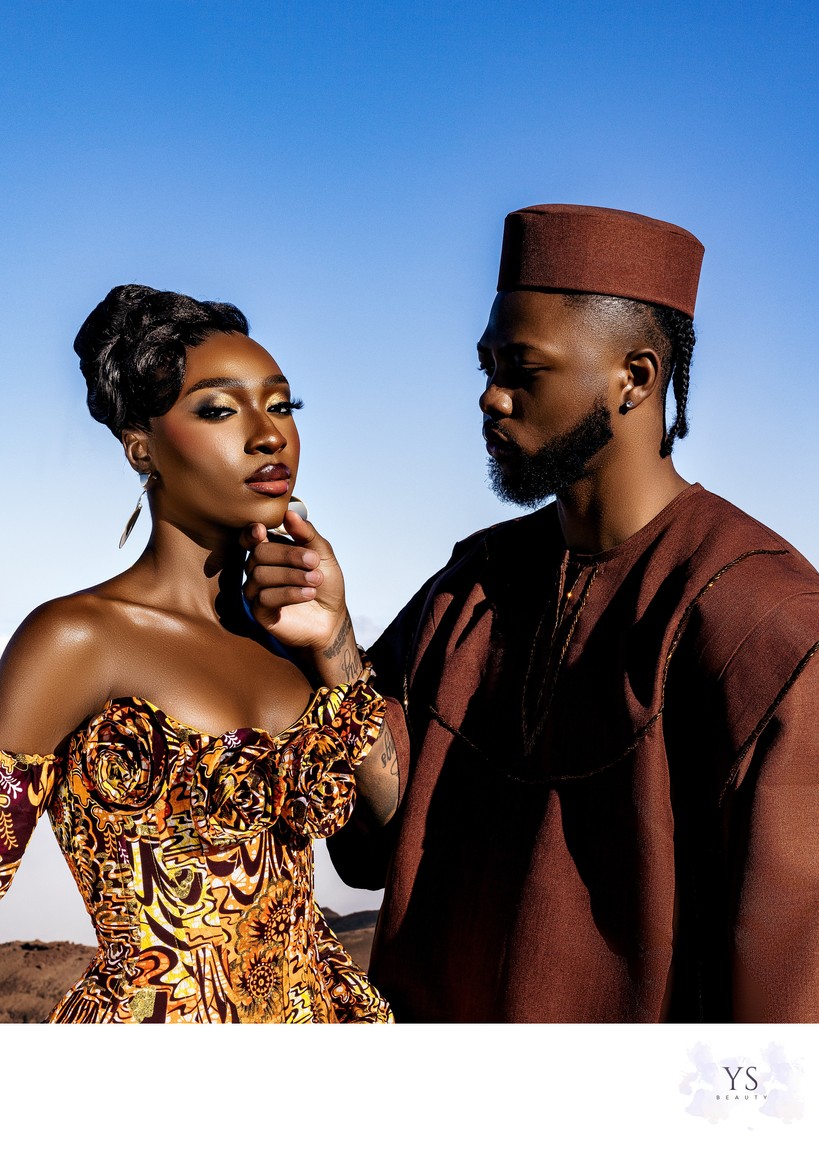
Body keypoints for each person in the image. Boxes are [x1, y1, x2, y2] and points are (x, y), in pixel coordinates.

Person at [242, 204, 819, 1023]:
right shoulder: (471, 584)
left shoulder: (762, 623)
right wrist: (333, 643)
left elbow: (787, 1000)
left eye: (523, 368)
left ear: (634, 377)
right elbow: (379, 838)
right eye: (486, 365)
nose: (490, 396)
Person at [0, 284, 393, 1024]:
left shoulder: (291, 642)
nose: (268, 435)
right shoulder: (74, 639)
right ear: (141, 446)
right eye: (218, 409)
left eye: (282, 405)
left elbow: (389, 831)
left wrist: (334, 639)